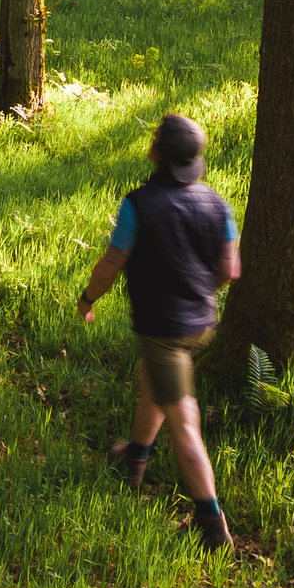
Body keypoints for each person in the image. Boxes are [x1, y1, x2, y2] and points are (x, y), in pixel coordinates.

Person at [77, 112, 240, 549]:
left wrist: (88, 299)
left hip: (164, 327)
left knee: (183, 420)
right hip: (202, 324)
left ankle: (212, 524)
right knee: (155, 385)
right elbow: (230, 269)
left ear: (156, 155)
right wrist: (197, 291)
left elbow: (112, 264)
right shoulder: (217, 204)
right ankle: (135, 458)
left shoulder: (139, 204)